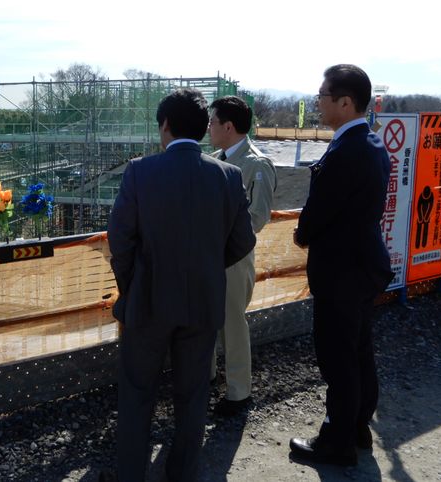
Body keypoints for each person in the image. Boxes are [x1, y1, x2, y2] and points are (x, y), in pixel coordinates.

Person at [106, 88, 256, 481]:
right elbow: (243, 241)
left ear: (165, 126)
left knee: (138, 393)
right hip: (202, 303)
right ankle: (182, 473)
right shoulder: (228, 174)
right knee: (193, 397)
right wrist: (205, 267)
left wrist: (132, 285)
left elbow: (120, 241)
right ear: (204, 128)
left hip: (149, 303)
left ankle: (130, 476)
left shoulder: (141, 171)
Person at [289, 64, 394, 466]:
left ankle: (336, 442)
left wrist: (302, 234)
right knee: (358, 350)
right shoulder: (369, 143)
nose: (318, 102)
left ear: (345, 102)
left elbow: (321, 210)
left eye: (323, 95)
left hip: (342, 270)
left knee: (338, 356)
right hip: (363, 264)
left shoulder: (347, 150)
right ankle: (357, 428)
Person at [208, 96, 277, 416]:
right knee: (207, 319)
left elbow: (257, 218)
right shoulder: (213, 158)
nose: (208, 128)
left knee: (232, 324)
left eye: (212, 122)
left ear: (228, 126)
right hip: (209, 256)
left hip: (234, 258)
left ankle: (238, 392)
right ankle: (206, 376)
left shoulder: (256, 164)